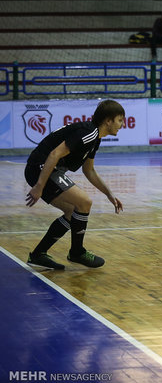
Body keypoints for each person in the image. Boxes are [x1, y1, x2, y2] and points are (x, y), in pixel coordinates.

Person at [24, 100, 126, 270]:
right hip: (41, 167)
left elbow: (89, 171)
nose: (122, 125)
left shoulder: (95, 139)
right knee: (84, 202)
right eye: (120, 120)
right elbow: (54, 153)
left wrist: (109, 194)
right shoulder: (89, 133)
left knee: (73, 212)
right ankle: (77, 252)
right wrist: (39, 186)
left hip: (46, 170)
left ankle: (38, 255)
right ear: (108, 120)